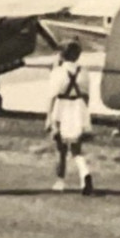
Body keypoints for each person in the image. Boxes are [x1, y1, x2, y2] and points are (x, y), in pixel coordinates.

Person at [45, 40, 94, 195]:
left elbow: (52, 96)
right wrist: (85, 115)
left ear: (61, 55)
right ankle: (84, 173)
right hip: (79, 108)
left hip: (62, 108)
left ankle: (60, 181)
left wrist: (49, 117)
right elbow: (86, 96)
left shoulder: (57, 72)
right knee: (76, 149)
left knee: (61, 148)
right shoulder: (84, 72)